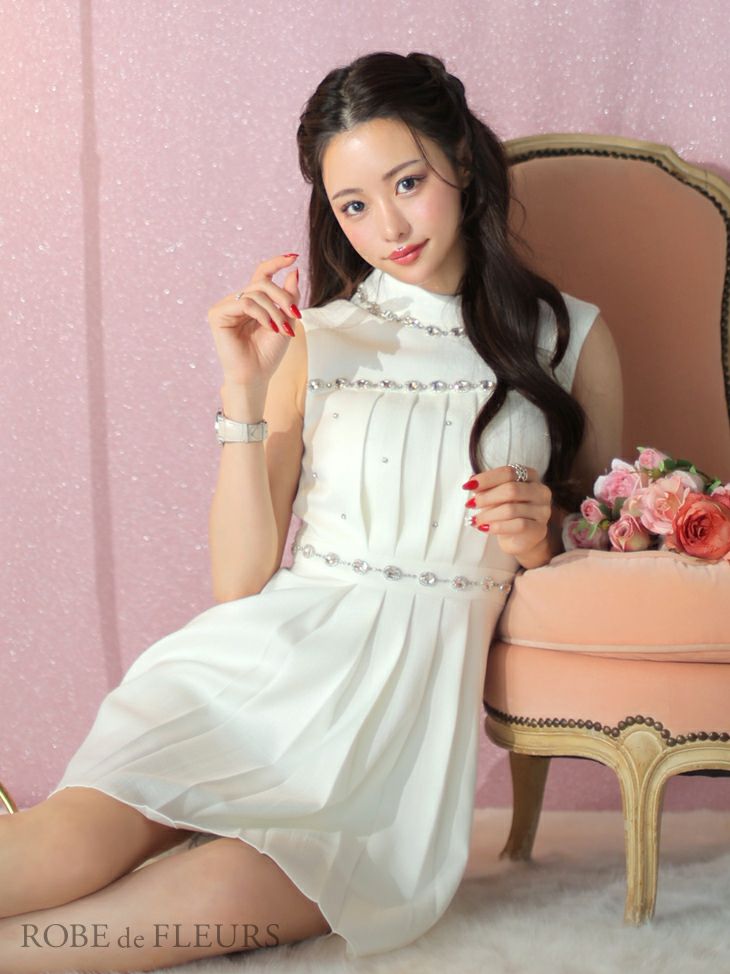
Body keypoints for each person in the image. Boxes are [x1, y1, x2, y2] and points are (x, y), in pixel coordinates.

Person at [0, 50, 622, 972]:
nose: (389, 227)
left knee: (153, 921)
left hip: (395, 729)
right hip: (260, 671)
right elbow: (238, 579)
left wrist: (542, 541)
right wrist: (243, 393)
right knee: (67, 849)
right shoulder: (322, 338)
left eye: (407, 183)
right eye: (353, 206)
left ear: (460, 159)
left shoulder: (570, 336)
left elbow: (608, 556)